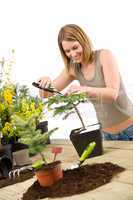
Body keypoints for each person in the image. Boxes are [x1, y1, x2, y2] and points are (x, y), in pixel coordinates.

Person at [37, 24, 133, 141]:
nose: (72, 54)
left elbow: (112, 94)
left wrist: (83, 89)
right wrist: (44, 82)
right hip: (106, 135)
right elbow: (46, 94)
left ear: (83, 41)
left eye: (75, 47)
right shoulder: (73, 68)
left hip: (130, 129)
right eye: (67, 51)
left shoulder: (104, 56)